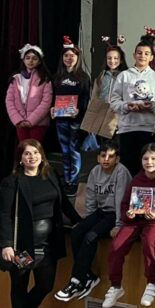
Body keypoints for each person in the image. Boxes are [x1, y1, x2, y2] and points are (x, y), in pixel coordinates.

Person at [0, 139, 80, 308]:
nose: (32, 157)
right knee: (20, 285)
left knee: (45, 285)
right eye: (27, 153)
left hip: (48, 245)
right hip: (23, 247)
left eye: (35, 152)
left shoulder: (50, 174)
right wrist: (6, 244)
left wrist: (79, 221)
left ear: (41, 155)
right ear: (20, 159)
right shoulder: (12, 182)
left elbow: (64, 202)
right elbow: (4, 214)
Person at [101, 143, 155, 308]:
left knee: (149, 242)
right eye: (145, 158)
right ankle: (115, 286)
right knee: (116, 246)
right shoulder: (136, 179)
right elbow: (124, 204)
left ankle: (151, 283)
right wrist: (128, 215)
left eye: (153, 158)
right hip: (134, 221)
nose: (149, 162)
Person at [55, 141, 132, 302]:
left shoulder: (121, 172)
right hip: (101, 212)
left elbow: (121, 201)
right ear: (98, 158)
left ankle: (76, 281)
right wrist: (88, 220)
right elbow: (90, 198)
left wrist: (119, 224)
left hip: (115, 213)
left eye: (111, 156)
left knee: (91, 236)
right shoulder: (95, 171)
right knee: (77, 232)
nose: (106, 159)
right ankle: (89, 276)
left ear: (117, 159)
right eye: (103, 156)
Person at [110, 42, 155, 176]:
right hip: (127, 128)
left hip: (147, 129)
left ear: (151, 57)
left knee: (147, 166)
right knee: (127, 167)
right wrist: (126, 106)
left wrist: (152, 106)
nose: (142, 56)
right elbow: (114, 101)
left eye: (146, 54)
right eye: (139, 53)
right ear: (134, 55)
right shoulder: (124, 75)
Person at [51, 38, 92, 195]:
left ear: (77, 57)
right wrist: (52, 108)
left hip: (76, 121)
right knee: (65, 151)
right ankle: (67, 179)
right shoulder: (57, 77)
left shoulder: (83, 77)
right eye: (66, 55)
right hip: (60, 119)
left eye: (72, 55)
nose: (69, 58)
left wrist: (79, 111)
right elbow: (52, 97)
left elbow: (85, 100)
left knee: (74, 151)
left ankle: (73, 182)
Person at [5, 44, 52, 144]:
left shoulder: (45, 79)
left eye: (34, 58)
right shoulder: (15, 79)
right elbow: (9, 101)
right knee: (23, 148)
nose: (30, 61)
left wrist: (31, 120)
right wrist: (18, 120)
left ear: (39, 61)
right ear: (23, 60)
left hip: (38, 123)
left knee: (34, 148)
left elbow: (46, 103)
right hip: (20, 122)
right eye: (28, 58)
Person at [89, 41, 127, 142]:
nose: (112, 61)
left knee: (115, 145)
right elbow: (94, 96)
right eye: (109, 58)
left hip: (117, 117)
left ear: (121, 60)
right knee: (102, 144)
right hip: (101, 114)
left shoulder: (125, 76)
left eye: (116, 58)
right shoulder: (102, 75)